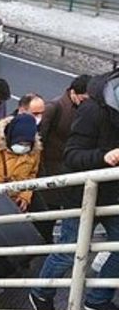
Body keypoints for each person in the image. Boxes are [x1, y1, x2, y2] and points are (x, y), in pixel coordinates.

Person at [31, 71, 119, 310]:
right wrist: (104, 156)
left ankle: (98, 299)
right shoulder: (93, 110)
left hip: (112, 193)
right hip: (82, 194)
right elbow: (72, 155)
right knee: (69, 251)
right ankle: (39, 293)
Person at [0, 113, 49, 241]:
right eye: (19, 143)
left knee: (45, 221)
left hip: (20, 196)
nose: (23, 146)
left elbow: (32, 174)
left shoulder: (34, 151)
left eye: (27, 143)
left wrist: (25, 196)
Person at [39, 74, 91, 209]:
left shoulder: (83, 110)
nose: (86, 102)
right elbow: (39, 141)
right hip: (51, 174)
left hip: (69, 173)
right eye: (83, 98)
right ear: (73, 92)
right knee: (48, 215)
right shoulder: (54, 108)